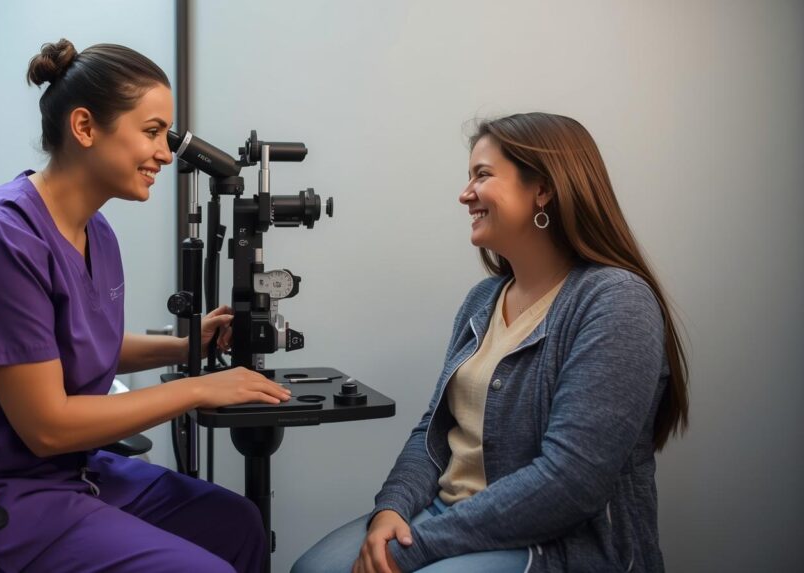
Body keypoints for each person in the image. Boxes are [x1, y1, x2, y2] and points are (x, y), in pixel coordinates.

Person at [0, 39, 289, 572]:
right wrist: (199, 388)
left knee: (235, 524)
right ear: (84, 127)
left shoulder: (96, 232)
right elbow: (48, 425)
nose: (167, 154)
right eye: (152, 132)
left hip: (63, 474)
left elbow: (75, 347)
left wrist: (187, 345)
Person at [292, 112, 689, 572]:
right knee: (311, 570)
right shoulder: (482, 299)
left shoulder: (615, 301)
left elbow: (571, 482)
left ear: (543, 189)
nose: (465, 194)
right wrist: (391, 510)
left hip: (552, 544)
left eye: (482, 175)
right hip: (444, 514)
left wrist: (413, 550)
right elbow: (433, 432)